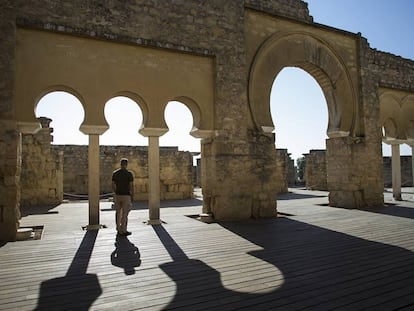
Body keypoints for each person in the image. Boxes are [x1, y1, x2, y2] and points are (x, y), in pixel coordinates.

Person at [112, 158, 134, 236]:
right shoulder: (129, 174)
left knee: (118, 212)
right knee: (125, 214)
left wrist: (116, 192)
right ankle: (123, 229)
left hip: (118, 195)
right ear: (126, 164)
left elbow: (113, 185)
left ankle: (118, 228)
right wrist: (132, 195)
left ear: (120, 164)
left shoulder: (115, 173)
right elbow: (131, 186)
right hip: (126, 195)